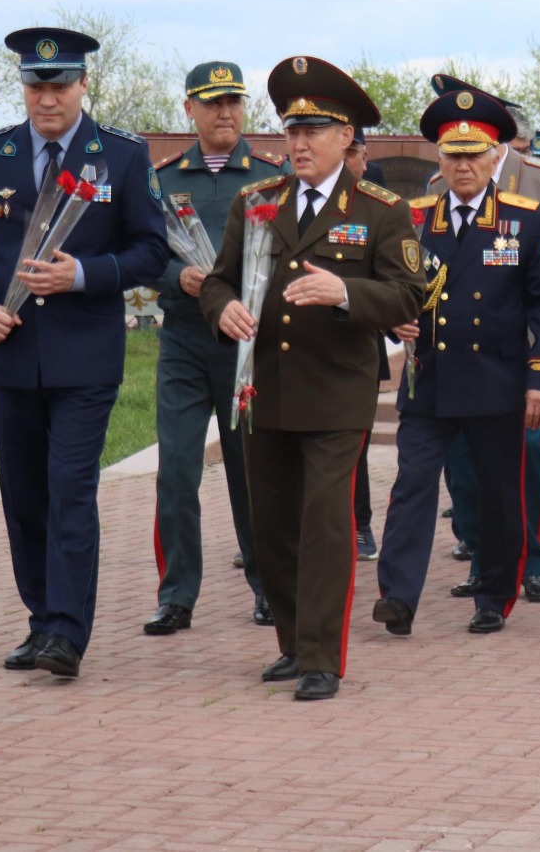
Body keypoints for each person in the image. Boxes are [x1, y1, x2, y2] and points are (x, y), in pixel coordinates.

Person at [0, 26, 169, 679]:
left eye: (60, 85)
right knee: (25, 498)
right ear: (23, 87)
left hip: (83, 359)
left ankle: (68, 634)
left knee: (70, 489)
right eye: (36, 86)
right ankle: (42, 620)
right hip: (12, 354)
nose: (47, 99)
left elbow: (151, 252)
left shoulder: (121, 157)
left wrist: (81, 274)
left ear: (84, 85)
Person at [200, 55, 423, 701]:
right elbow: (218, 279)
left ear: (346, 137)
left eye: (315, 132)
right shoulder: (257, 202)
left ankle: (323, 657)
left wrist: (347, 292)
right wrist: (225, 309)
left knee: (325, 528)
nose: (299, 144)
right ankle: (293, 645)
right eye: (292, 132)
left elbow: (409, 296)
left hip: (335, 393)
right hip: (265, 387)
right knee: (272, 530)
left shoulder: (381, 211)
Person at [374, 88, 540, 637]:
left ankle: (493, 592)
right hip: (430, 379)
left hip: (496, 381)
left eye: (473, 155)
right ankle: (398, 596)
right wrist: (395, 321)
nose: (462, 165)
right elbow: (394, 288)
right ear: (439, 158)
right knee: (413, 485)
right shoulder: (416, 218)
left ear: (492, 159)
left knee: (496, 492)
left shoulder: (524, 220)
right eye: (452, 155)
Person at [425, 75, 540, 604]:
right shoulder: (436, 186)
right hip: (456, 362)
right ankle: (479, 553)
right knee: (465, 467)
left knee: (528, 456)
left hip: (522, 352)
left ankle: (532, 559)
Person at [142, 60, 287, 637]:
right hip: (182, 340)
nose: (225, 112)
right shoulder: (163, 179)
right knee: (176, 472)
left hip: (245, 345)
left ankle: (267, 587)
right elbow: (142, 250)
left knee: (251, 474)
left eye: (233, 101)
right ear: (189, 111)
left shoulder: (272, 176)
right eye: (212, 102)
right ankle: (177, 596)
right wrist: (177, 277)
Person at [344, 127, 387, 560]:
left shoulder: (378, 207)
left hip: (359, 343)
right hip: (296, 346)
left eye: (353, 151)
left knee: (353, 444)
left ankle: (359, 524)